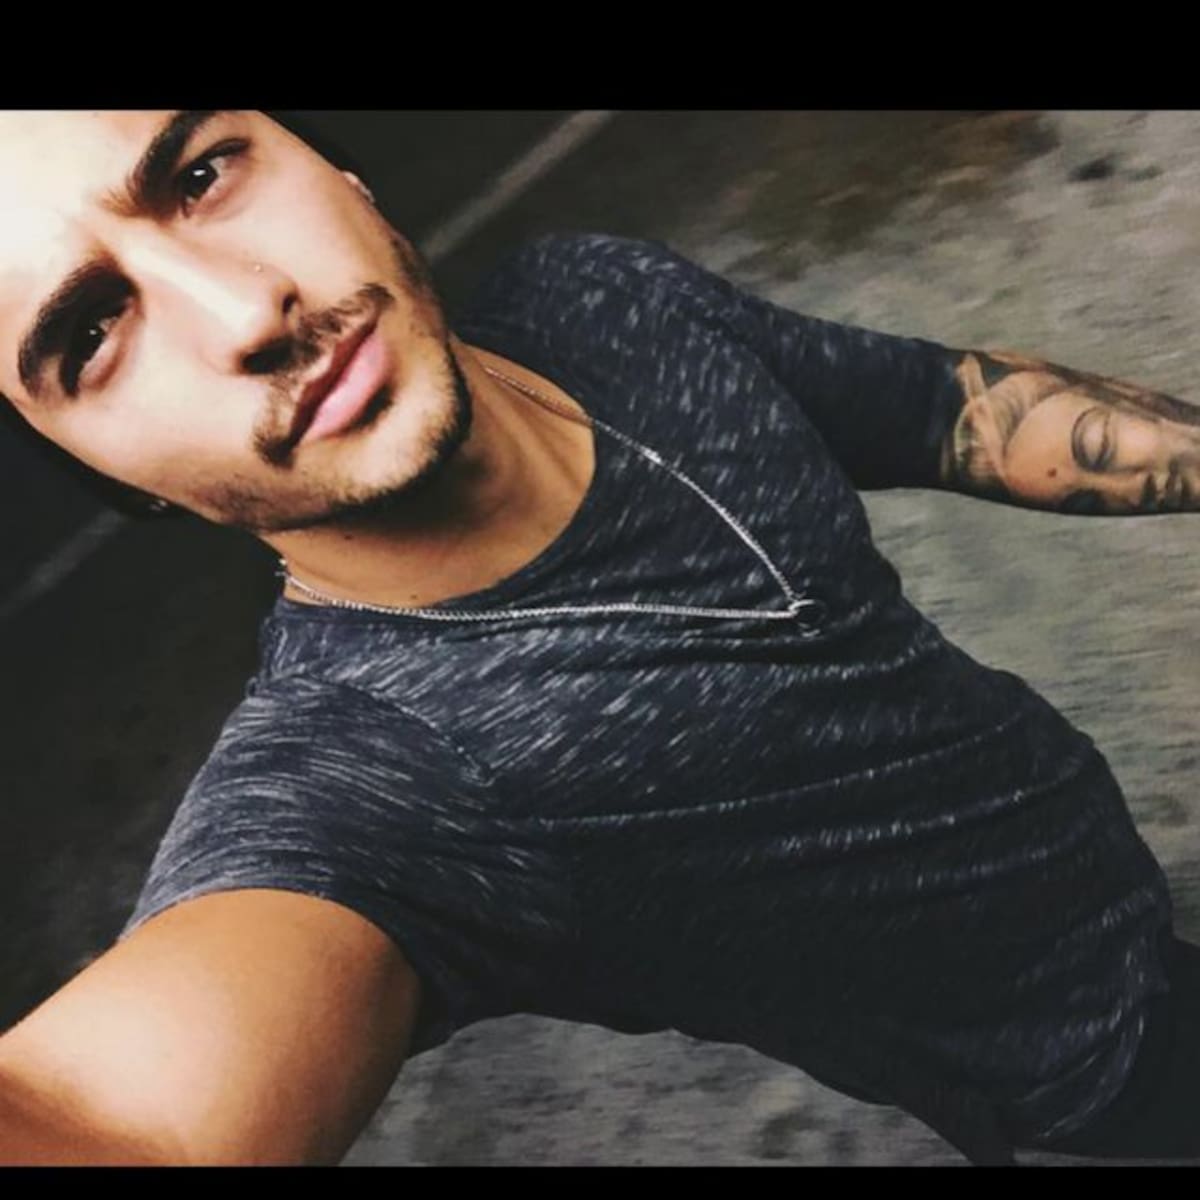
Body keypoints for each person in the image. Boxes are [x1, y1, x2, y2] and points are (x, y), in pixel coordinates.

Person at [0, 109, 1195, 1166]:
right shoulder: (373, 784)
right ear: (117, 478)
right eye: (92, 334)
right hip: (1105, 1064)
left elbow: (946, 411)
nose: (245, 309)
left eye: (201, 175)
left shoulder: (600, 299)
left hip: (1104, 850)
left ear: (335, 168)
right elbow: (126, 1124)